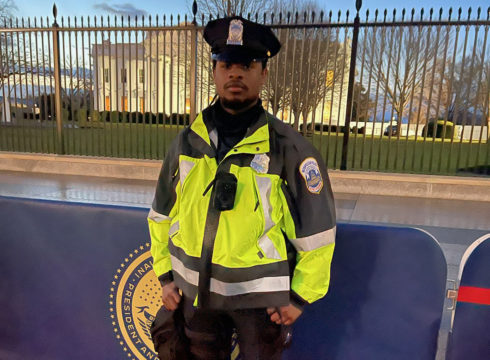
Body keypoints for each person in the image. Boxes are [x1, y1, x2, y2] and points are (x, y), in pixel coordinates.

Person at [148, 16, 336, 360]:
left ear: (263, 73)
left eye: (247, 65)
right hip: (197, 295)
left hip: (260, 304)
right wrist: (164, 276)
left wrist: (300, 297)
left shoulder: (289, 149)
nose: (235, 74)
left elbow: (317, 232)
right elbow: (160, 215)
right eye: (226, 64)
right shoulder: (186, 143)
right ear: (216, 72)